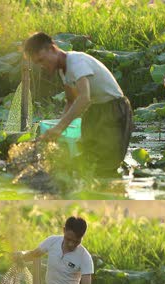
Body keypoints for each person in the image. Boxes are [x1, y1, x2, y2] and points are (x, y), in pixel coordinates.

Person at [24, 32, 133, 176]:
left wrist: (59, 127)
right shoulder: (64, 71)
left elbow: (84, 97)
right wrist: (57, 130)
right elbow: (71, 100)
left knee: (106, 162)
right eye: (38, 63)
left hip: (114, 109)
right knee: (87, 157)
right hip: (95, 110)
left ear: (52, 49)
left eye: (42, 60)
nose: (42, 65)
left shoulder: (76, 62)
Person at [14, 216, 93, 284]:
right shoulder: (52, 241)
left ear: (82, 237)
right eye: (68, 239)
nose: (71, 244)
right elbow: (34, 254)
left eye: (76, 241)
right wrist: (21, 255)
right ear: (64, 230)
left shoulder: (85, 257)